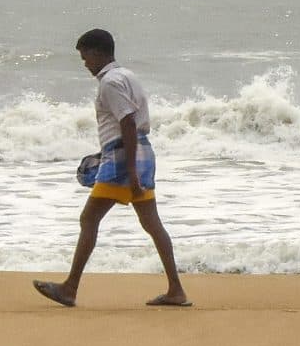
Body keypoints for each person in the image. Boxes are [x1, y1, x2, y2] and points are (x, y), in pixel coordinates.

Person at [33, 29, 189, 308]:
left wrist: (127, 168)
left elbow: (127, 122)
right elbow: (129, 123)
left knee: (89, 219)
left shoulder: (109, 83)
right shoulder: (127, 76)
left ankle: (69, 288)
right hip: (141, 152)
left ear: (97, 53)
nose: (84, 64)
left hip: (123, 157)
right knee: (152, 224)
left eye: (84, 58)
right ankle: (176, 290)